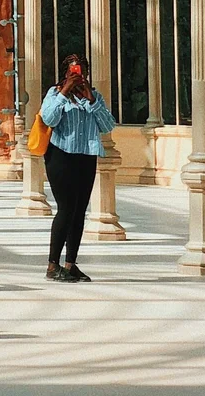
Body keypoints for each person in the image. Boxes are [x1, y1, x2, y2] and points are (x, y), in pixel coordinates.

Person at [39, 53, 116, 282]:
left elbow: (107, 125)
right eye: (73, 72)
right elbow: (48, 119)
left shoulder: (94, 97)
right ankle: (52, 265)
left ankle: (71, 264)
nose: (77, 76)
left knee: (79, 210)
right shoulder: (54, 94)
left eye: (81, 72)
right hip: (60, 156)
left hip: (86, 156)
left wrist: (91, 100)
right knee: (66, 208)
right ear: (66, 73)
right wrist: (64, 93)